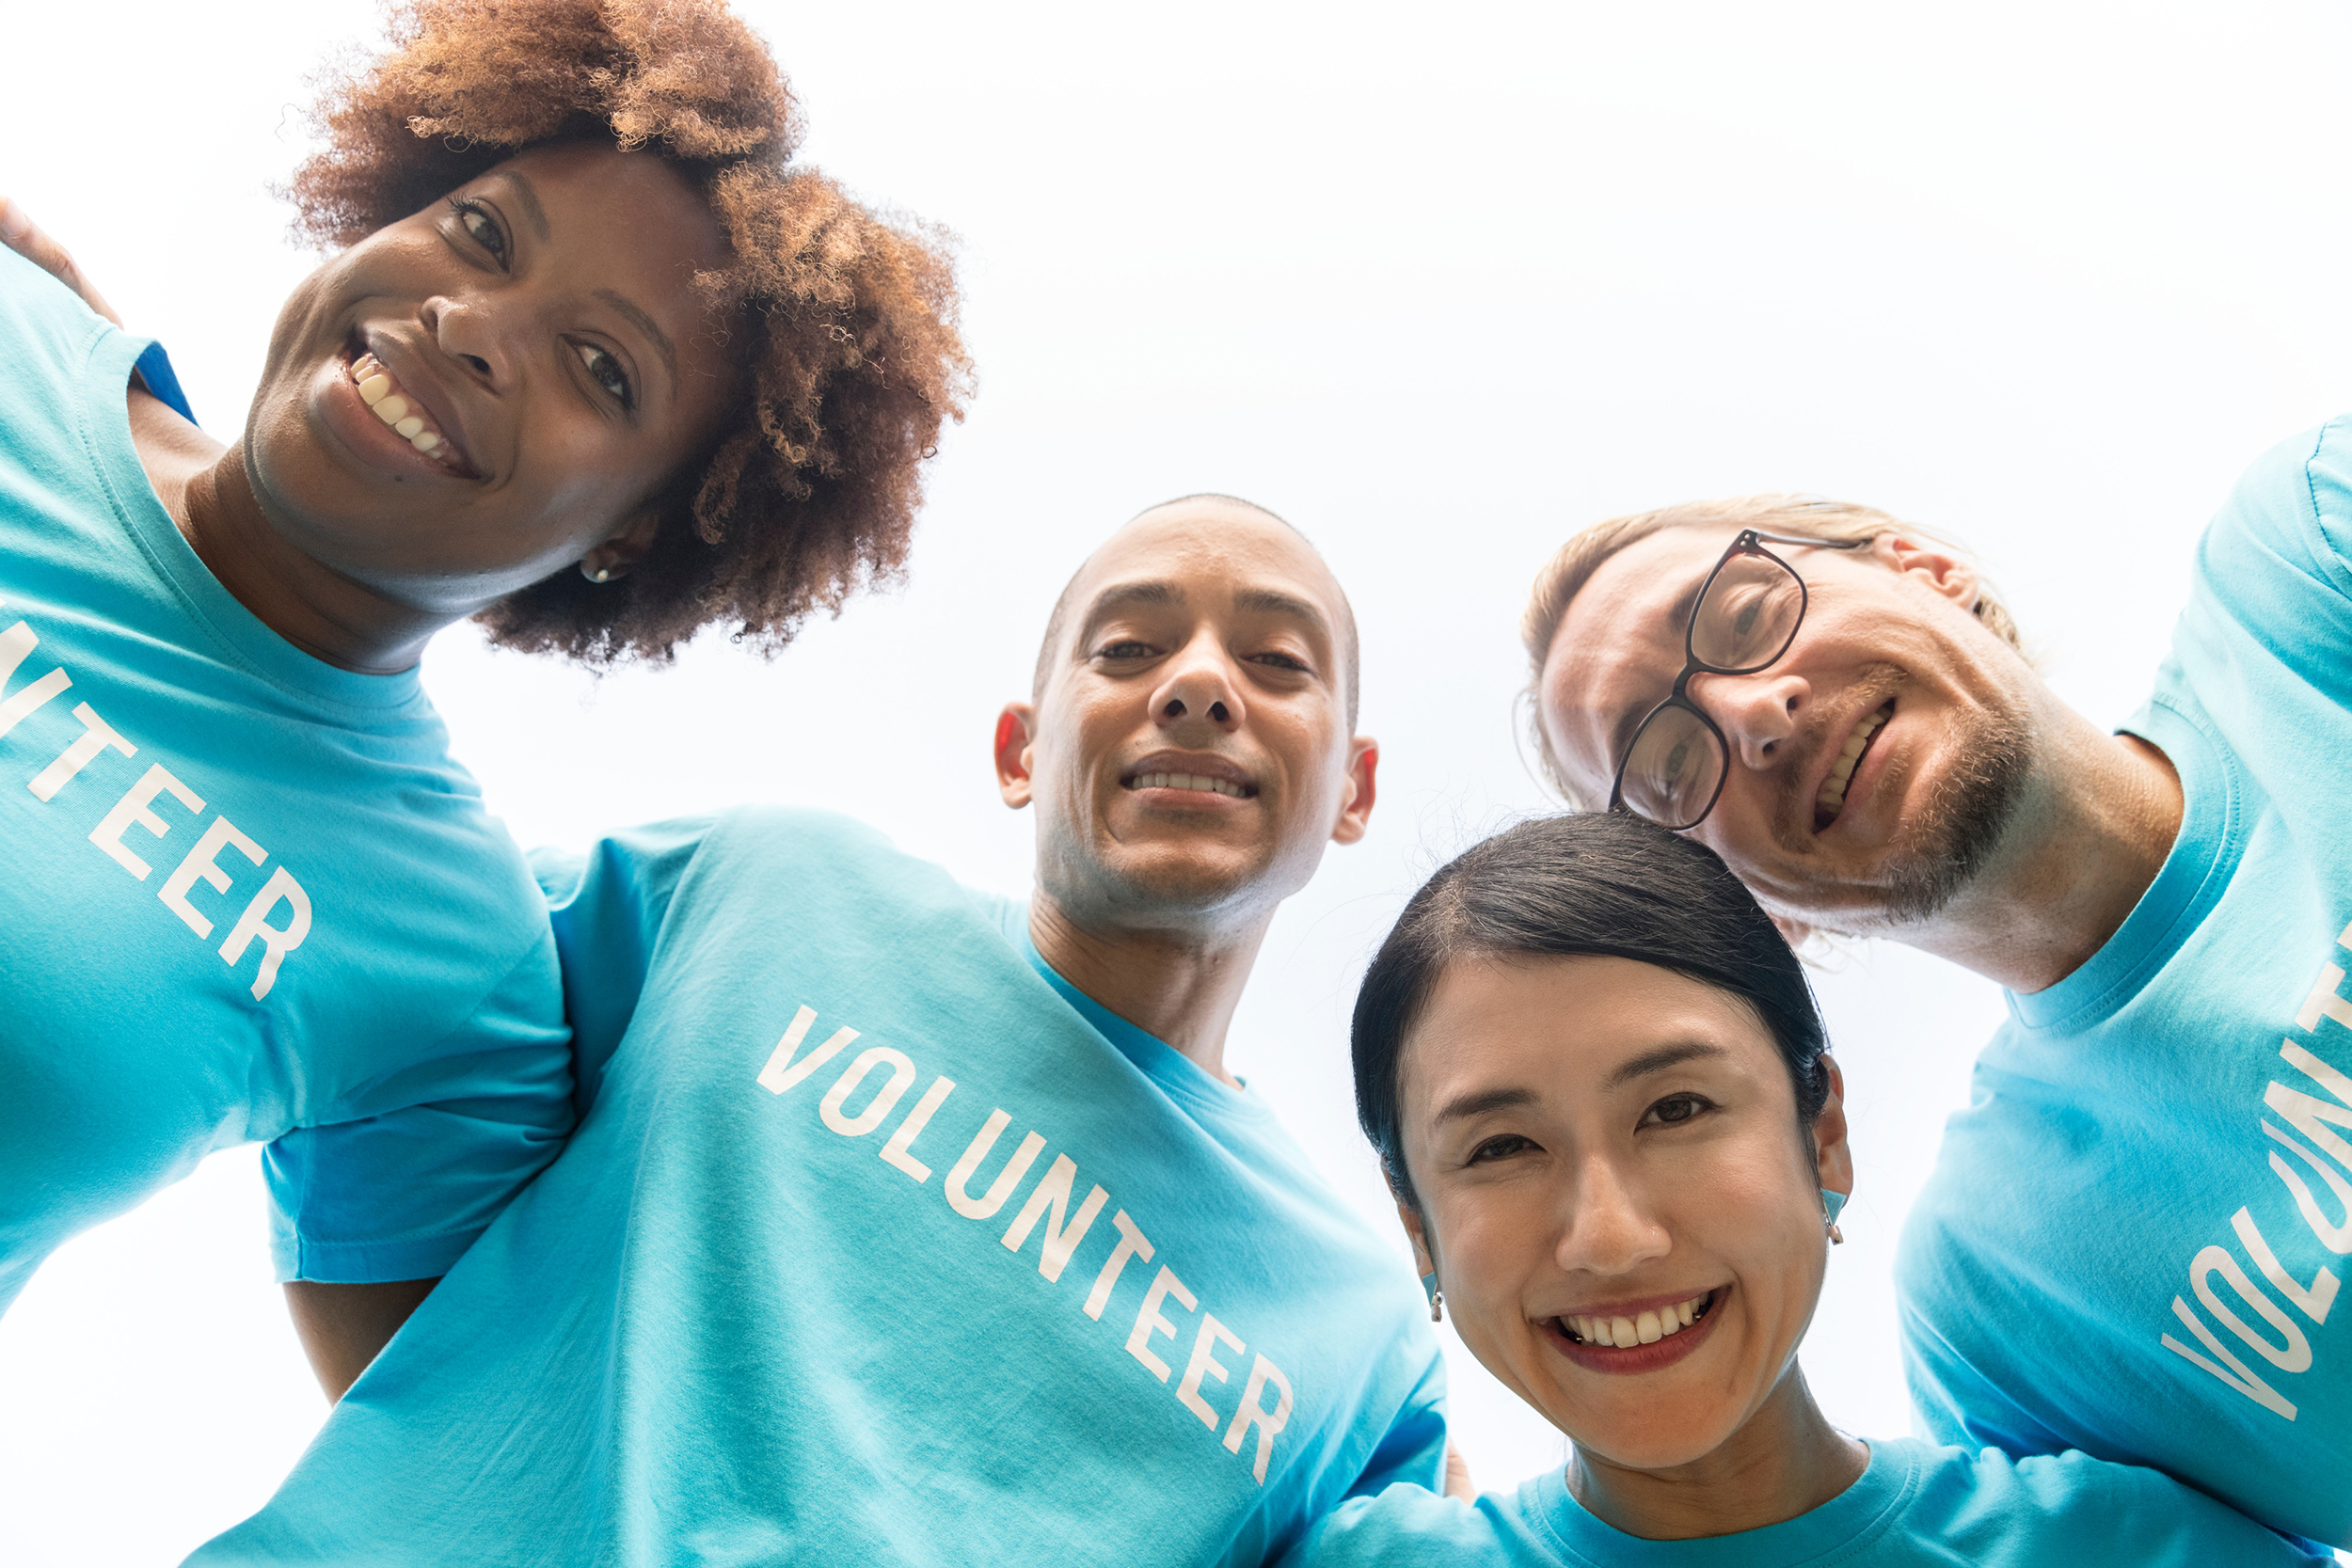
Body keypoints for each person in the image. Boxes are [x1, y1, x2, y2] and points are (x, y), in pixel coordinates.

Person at [0, 0, 967, 1402]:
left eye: (601, 367)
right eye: (484, 233)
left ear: (635, 531)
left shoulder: (448, 956)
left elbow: (494, 1465)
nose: (469, 322)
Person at [187, 496, 1448, 1566]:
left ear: (1355, 788)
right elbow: (374, 952)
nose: (1197, 686)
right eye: (1126, 647)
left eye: (1280, 663)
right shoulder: (763, 888)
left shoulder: (1366, 1339)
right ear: (1020, 749)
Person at [1518, 470, 2352, 1547]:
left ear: (1926, 571)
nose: (1750, 712)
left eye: (1745, 613)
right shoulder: (2004, 1310)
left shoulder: (2301, 567)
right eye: (1671, 764)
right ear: (1750, 908)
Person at [1291, 811, 2327, 1566]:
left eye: (1676, 1109)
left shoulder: (2138, 1549)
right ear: (1417, 1226)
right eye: (1503, 1146)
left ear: (1822, 1135)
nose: (1610, 1237)